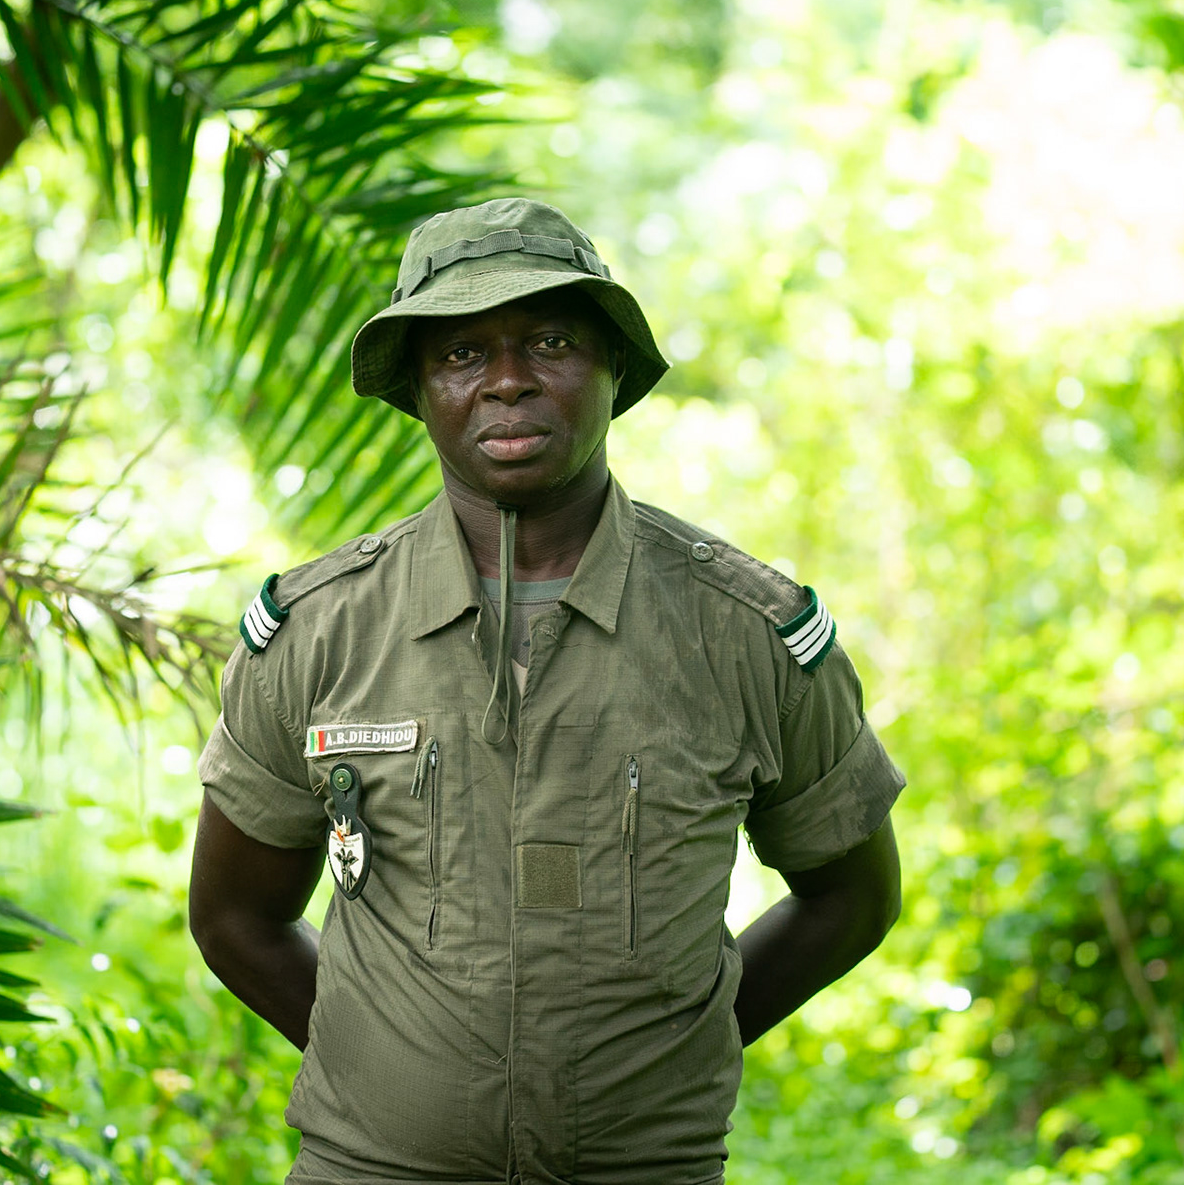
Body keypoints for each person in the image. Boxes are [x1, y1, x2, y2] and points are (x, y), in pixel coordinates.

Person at [188, 197, 906, 1185]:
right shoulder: (320, 630)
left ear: (614, 365)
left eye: (552, 341)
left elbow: (852, 898)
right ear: (419, 389)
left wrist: (678, 1051)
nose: (508, 379)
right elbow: (234, 915)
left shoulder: (746, 633)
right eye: (461, 353)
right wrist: (384, 1069)